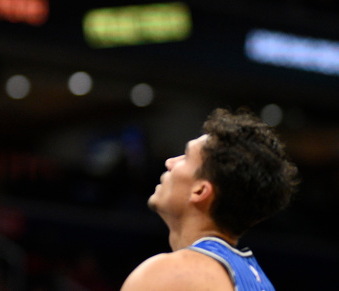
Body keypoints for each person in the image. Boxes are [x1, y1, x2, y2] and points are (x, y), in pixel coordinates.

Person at [121, 108, 299, 291]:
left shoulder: (168, 275)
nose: (170, 162)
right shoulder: (261, 282)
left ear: (200, 191)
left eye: (186, 156)